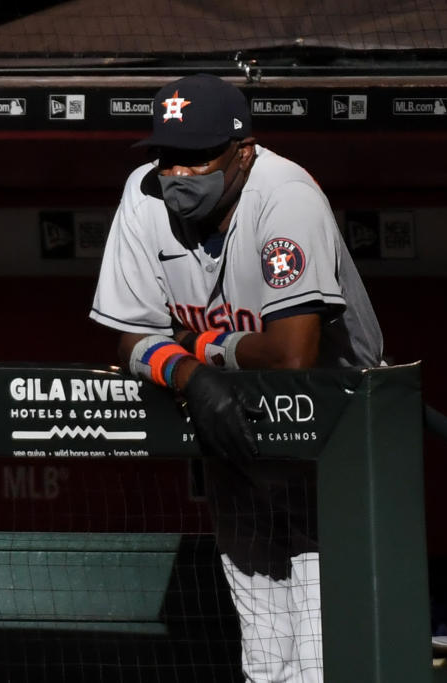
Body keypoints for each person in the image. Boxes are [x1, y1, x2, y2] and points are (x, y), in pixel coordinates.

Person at [89, 73, 384, 683]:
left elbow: (291, 357)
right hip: (232, 432)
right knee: (263, 648)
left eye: (197, 158)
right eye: (168, 156)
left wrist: (194, 348)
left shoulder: (286, 196)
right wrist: (189, 375)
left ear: (242, 152)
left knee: (320, 656)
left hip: (331, 437)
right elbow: (128, 339)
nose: (178, 173)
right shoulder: (142, 195)